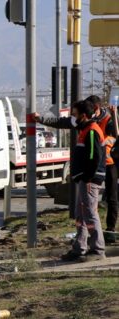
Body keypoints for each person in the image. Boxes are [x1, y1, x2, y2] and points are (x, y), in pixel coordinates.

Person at [60, 100, 106, 262]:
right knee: (81, 215)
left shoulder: (92, 131)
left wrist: (86, 177)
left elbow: (95, 157)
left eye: (74, 114)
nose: (73, 117)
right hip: (85, 179)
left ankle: (97, 249)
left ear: (83, 115)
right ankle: (79, 247)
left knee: (89, 214)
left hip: (90, 180)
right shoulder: (85, 130)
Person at [87, 95, 118, 240]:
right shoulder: (89, 120)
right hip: (95, 163)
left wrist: (102, 143)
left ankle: (110, 228)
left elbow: (114, 137)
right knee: (91, 198)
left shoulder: (108, 119)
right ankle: (94, 229)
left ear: (97, 108)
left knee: (112, 196)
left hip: (110, 162)